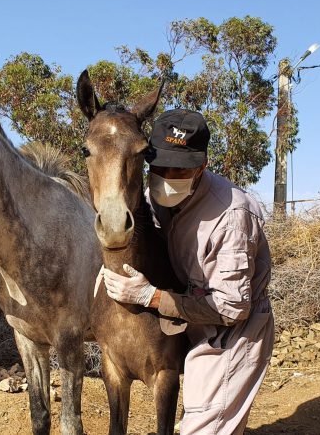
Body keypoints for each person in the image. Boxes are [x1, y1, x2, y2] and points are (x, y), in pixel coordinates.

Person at [103, 109, 274, 435]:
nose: (166, 176)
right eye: (159, 165)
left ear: (201, 167)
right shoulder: (159, 197)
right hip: (191, 315)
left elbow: (233, 307)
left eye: (179, 169)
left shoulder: (231, 215)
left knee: (204, 426)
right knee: (205, 414)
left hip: (233, 331)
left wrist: (150, 296)